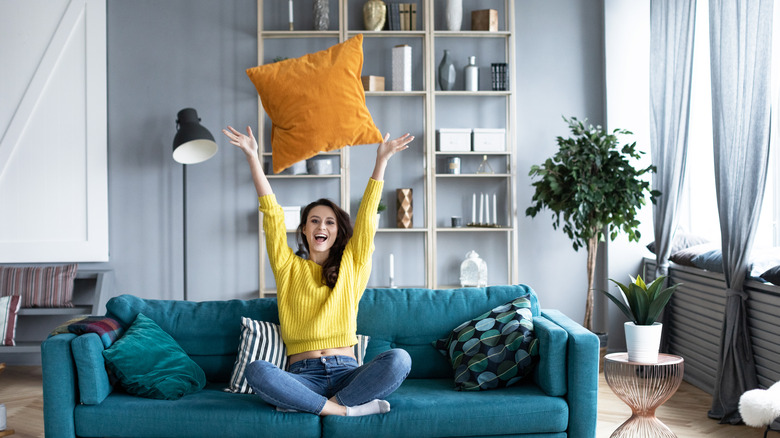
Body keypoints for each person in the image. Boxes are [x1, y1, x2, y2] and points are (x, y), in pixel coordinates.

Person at [223, 125, 414, 417]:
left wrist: (382, 161)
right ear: (303, 229)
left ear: (338, 232)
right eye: (314, 221)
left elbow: (366, 221)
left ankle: (314, 406)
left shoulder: (353, 264)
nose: (321, 227)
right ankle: (345, 410)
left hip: (348, 373)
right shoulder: (288, 267)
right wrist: (252, 156)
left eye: (329, 222)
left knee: (400, 359)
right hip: (302, 375)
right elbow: (272, 217)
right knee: (257, 370)